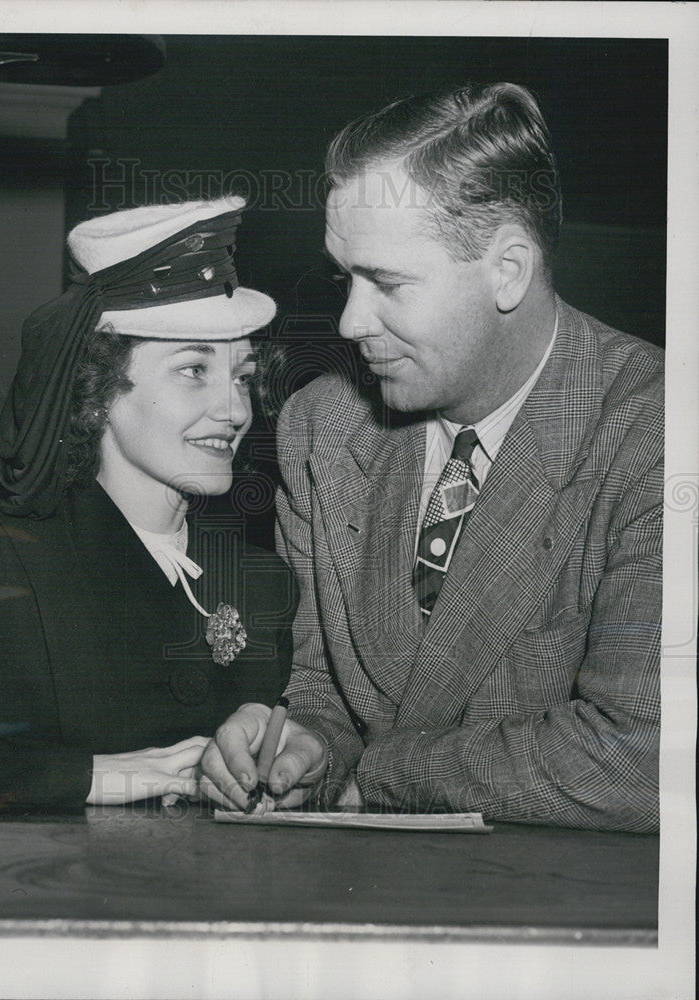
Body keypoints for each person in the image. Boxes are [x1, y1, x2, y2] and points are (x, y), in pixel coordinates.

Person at [200, 83, 663, 833]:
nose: (350, 321)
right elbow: (327, 691)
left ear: (506, 269)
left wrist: (378, 775)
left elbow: (640, 757)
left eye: (386, 282)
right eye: (345, 277)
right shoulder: (320, 427)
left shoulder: (654, 435)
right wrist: (302, 748)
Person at [0, 196, 296, 810]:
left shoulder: (260, 580)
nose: (236, 411)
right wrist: (94, 777)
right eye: (194, 370)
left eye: (241, 376)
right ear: (99, 390)